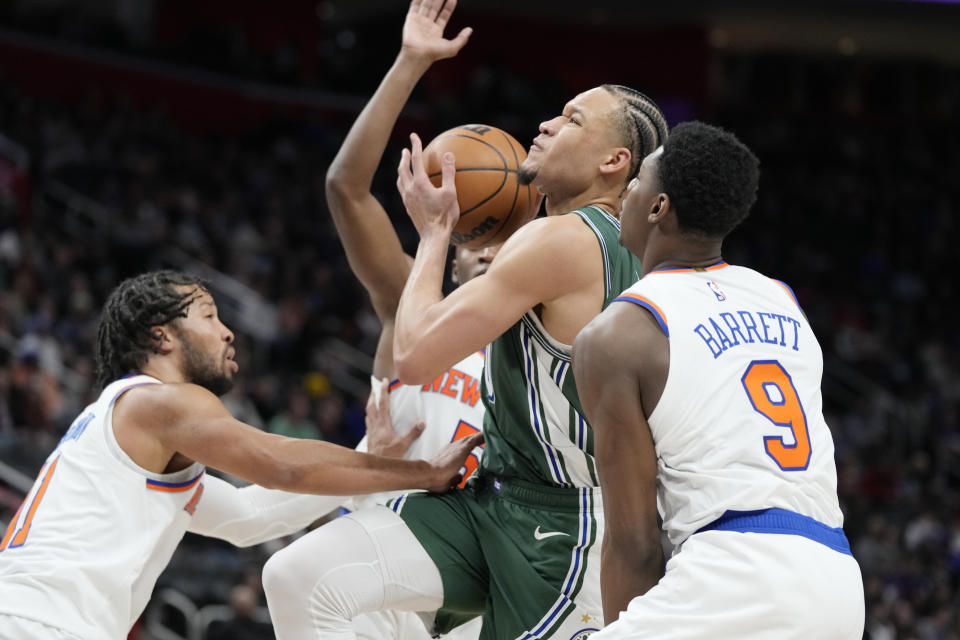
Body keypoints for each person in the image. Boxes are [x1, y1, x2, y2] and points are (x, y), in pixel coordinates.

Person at [260, 1, 670, 637]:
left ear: (613, 161)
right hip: (490, 497)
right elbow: (348, 189)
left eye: (570, 119)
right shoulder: (617, 251)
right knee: (298, 576)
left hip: (563, 528)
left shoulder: (566, 238)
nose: (545, 123)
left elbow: (415, 352)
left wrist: (435, 232)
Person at [0, 270, 481, 640]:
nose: (228, 331)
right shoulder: (161, 402)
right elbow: (284, 465)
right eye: (209, 316)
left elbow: (252, 516)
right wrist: (422, 471)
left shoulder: (126, 440)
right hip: (39, 623)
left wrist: (371, 456)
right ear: (160, 337)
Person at [572, 121, 865, 638]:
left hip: (731, 575)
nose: (627, 192)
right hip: (837, 581)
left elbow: (635, 544)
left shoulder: (616, 335)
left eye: (637, 179)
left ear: (659, 207)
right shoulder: (782, 299)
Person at [263, 0, 489, 636]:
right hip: (372, 586)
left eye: (504, 235)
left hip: (474, 597)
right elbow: (346, 189)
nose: (490, 249)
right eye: (477, 237)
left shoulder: (548, 349)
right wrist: (410, 62)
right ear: (453, 250)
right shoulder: (413, 313)